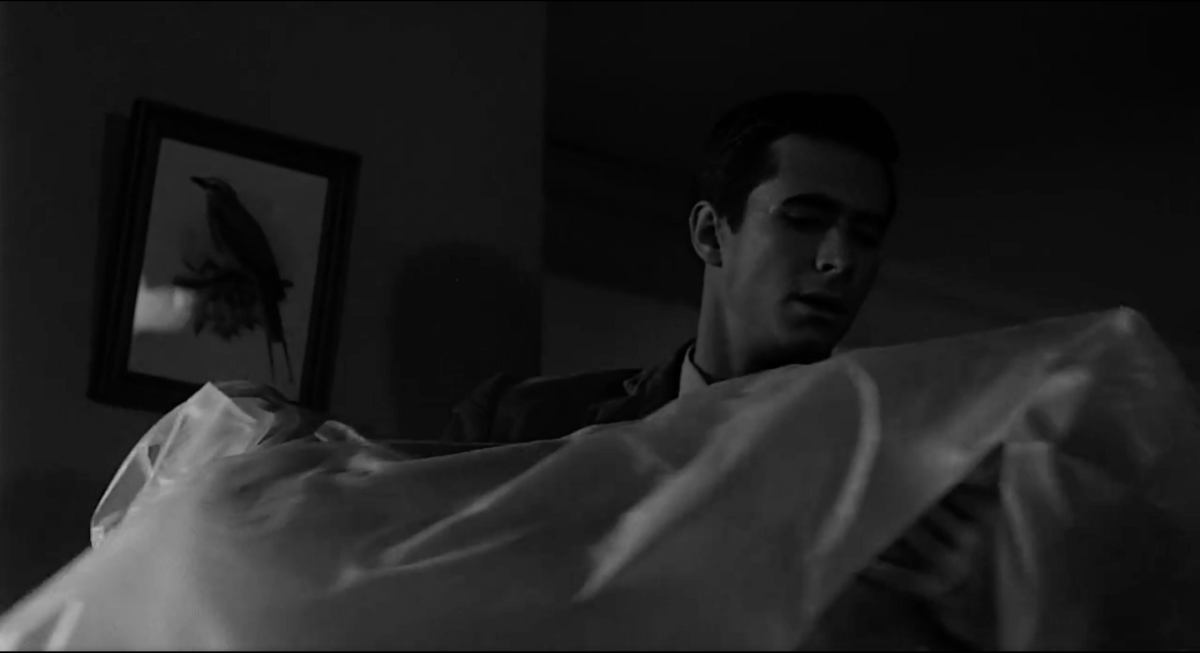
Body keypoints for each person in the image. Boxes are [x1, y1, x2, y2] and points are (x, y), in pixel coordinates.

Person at [442, 91, 999, 649]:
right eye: (804, 220)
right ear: (711, 234)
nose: (839, 259)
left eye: (866, 236)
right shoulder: (520, 426)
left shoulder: (906, 481)